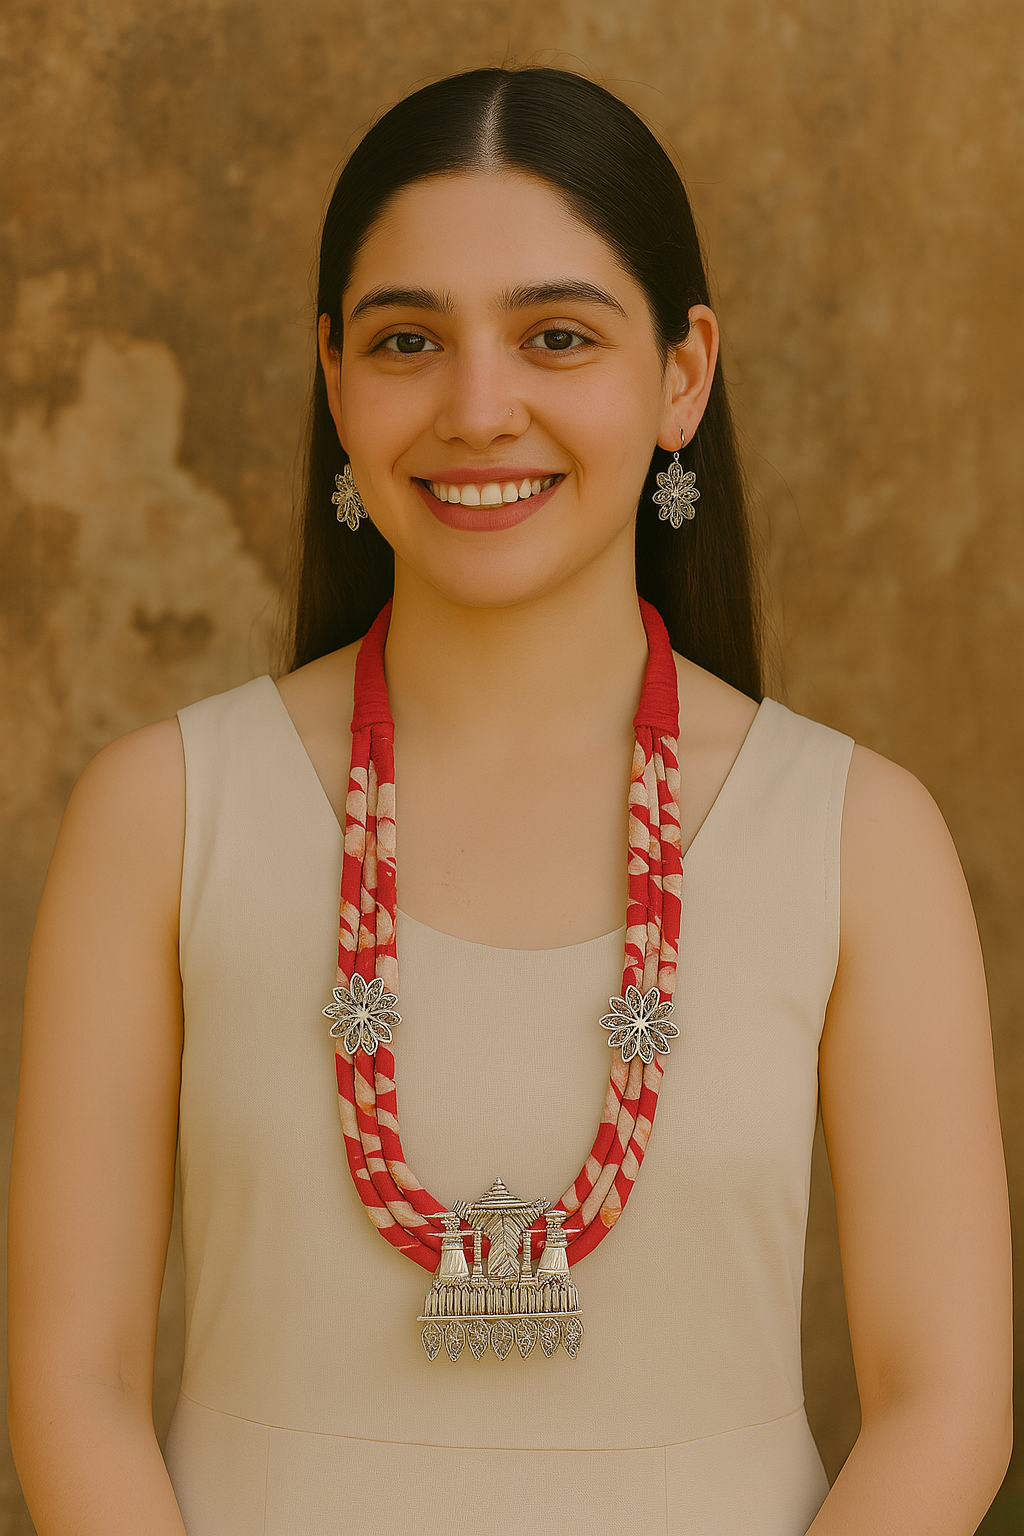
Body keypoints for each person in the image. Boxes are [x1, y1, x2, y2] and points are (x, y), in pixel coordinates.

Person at [7, 66, 1011, 1536]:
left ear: (682, 376)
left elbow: (947, 1405)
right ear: (338, 382)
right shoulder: (161, 815)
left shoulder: (860, 836)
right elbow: (69, 1385)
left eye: (557, 336)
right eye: (408, 340)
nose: (481, 410)